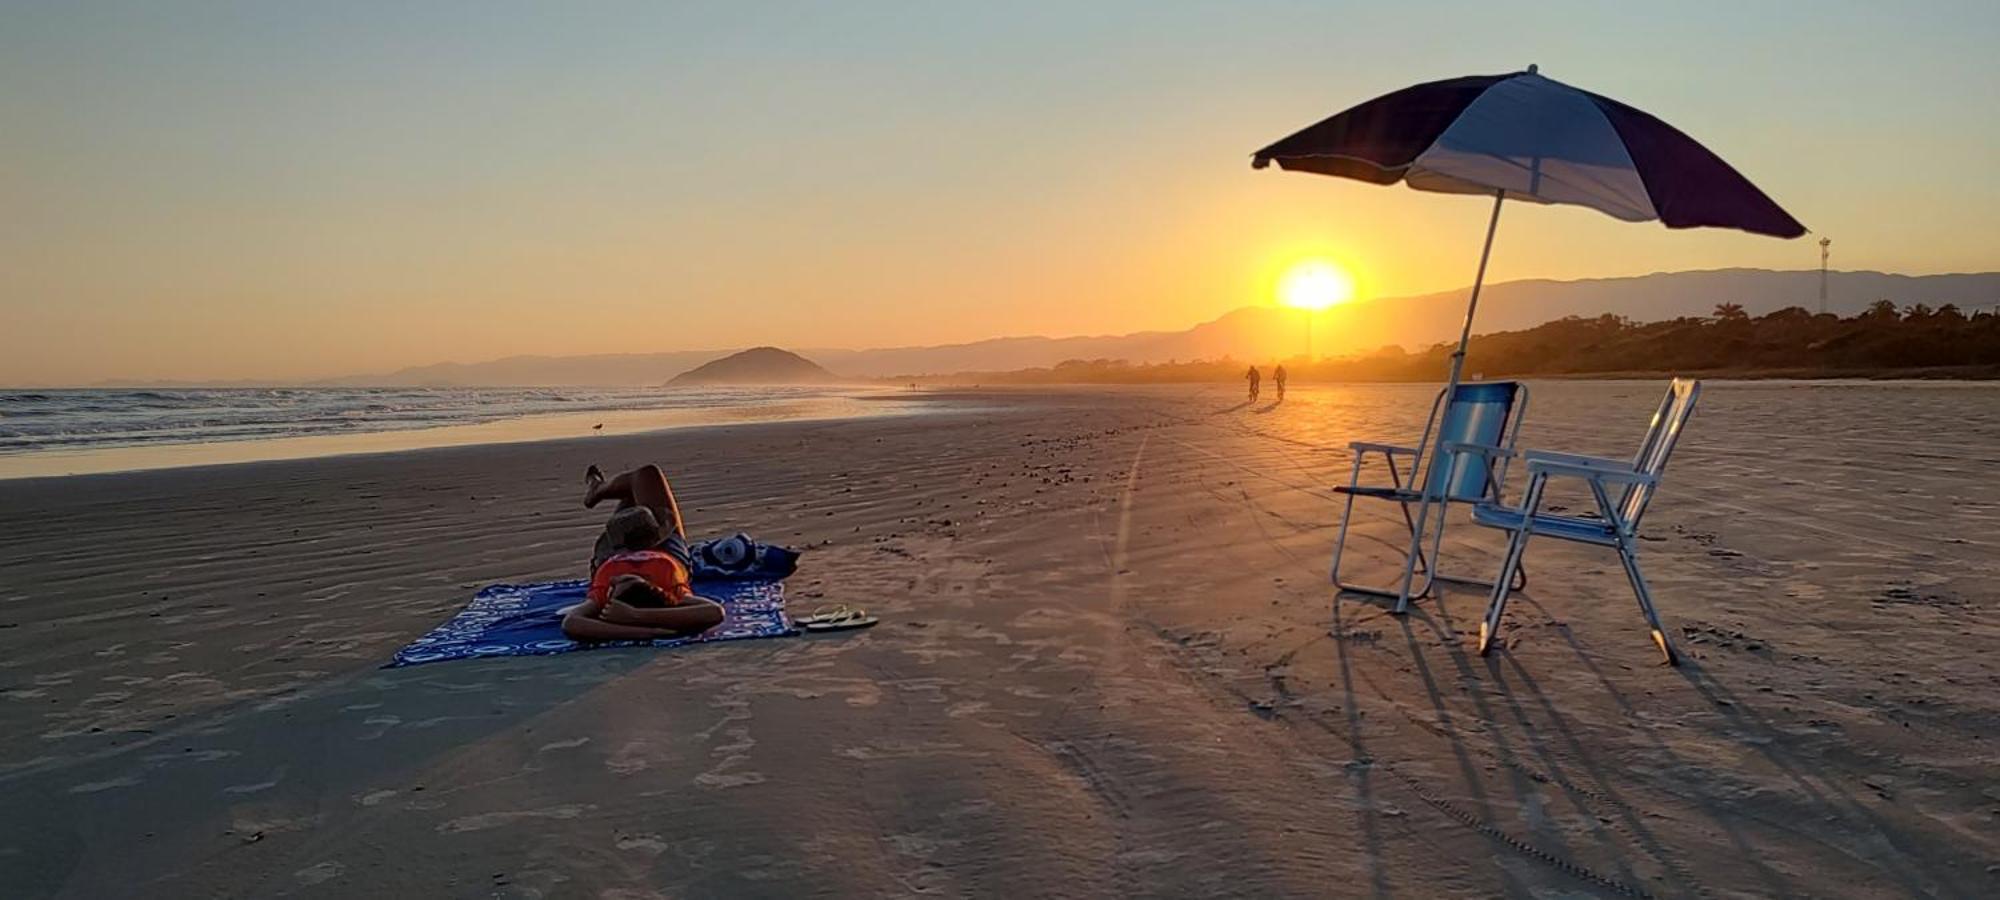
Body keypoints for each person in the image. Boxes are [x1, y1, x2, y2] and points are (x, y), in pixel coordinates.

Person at [562, 464, 725, 642]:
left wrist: (635, 627)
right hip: (663, 544)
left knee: (635, 496)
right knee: (647, 475)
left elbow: (572, 623)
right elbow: (714, 612)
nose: (616, 578)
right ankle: (600, 490)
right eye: (628, 579)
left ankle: (599, 490)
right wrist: (639, 618)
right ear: (651, 587)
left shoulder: (603, 594)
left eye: (616, 585)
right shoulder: (670, 589)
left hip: (616, 547)